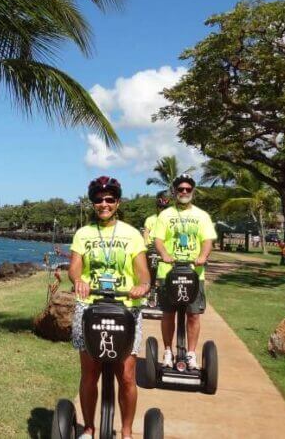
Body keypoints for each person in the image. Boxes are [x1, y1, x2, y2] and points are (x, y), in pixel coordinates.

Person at [69, 176, 151, 439]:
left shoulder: (131, 234)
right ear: (92, 203)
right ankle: (90, 428)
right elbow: (74, 268)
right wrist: (78, 280)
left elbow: (143, 273)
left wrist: (142, 285)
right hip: (90, 305)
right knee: (89, 372)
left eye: (109, 199)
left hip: (126, 307)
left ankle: (126, 432)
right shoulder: (83, 234)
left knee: (126, 374)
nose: (103, 204)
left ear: (117, 202)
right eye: (98, 199)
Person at [152, 174, 217, 369]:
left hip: (194, 273)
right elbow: (158, 240)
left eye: (188, 189)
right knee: (168, 313)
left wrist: (203, 257)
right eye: (181, 189)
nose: (184, 192)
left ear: (193, 192)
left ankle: (190, 354)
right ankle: (168, 351)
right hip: (168, 273)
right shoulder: (165, 215)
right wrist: (164, 254)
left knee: (193, 314)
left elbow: (207, 240)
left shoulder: (202, 216)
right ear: (175, 192)